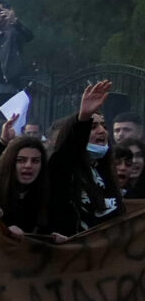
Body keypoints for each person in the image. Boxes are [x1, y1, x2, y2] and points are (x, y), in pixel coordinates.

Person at [42, 81, 122, 238]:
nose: (102, 131)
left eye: (104, 126)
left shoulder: (104, 170)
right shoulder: (64, 168)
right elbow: (65, 156)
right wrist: (83, 119)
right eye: (93, 127)